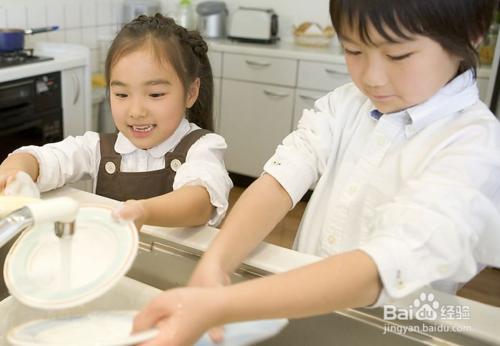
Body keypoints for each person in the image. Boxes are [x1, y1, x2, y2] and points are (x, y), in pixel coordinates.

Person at [131, 0, 500, 345]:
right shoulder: (347, 104)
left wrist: (221, 305)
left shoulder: (473, 146)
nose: (371, 77)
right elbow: (280, 180)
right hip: (299, 309)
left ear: (471, 35)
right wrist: (215, 264)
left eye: (398, 55)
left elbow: (382, 268)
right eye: (353, 50)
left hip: (392, 330)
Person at [0, 14, 232, 228]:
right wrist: (15, 170)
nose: (136, 111)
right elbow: (48, 159)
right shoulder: (96, 149)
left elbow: (201, 200)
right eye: (121, 95)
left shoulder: (203, 147)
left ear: (191, 93)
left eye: (155, 94)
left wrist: (145, 211)